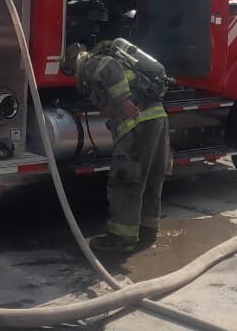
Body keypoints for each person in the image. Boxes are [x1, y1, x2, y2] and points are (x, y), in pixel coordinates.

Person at [63, 40, 171, 254]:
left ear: (75, 60)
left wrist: (123, 101)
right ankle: (148, 229)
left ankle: (121, 239)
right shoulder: (126, 63)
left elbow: (109, 70)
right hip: (157, 117)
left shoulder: (90, 63)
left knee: (126, 180)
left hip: (137, 123)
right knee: (150, 178)